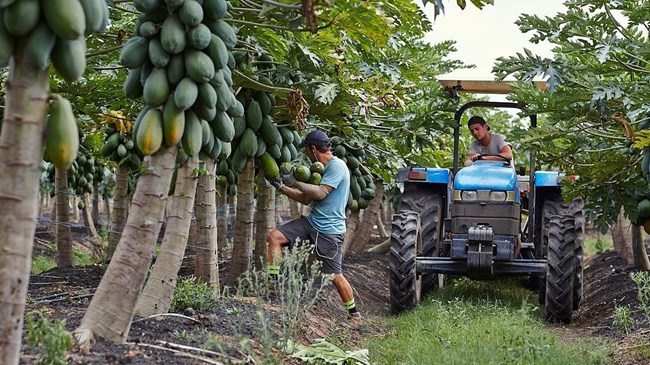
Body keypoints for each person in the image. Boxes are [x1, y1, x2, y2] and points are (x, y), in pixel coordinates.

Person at [266, 130, 361, 322]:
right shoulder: (319, 171)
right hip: (311, 222)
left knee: (334, 275)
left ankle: (354, 314)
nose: (307, 156)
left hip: (329, 231)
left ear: (313, 149)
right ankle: (273, 286)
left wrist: (294, 181)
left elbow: (320, 194)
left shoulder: (337, 167)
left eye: (307, 151)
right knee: (274, 237)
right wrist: (281, 187)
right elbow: (306, 198)